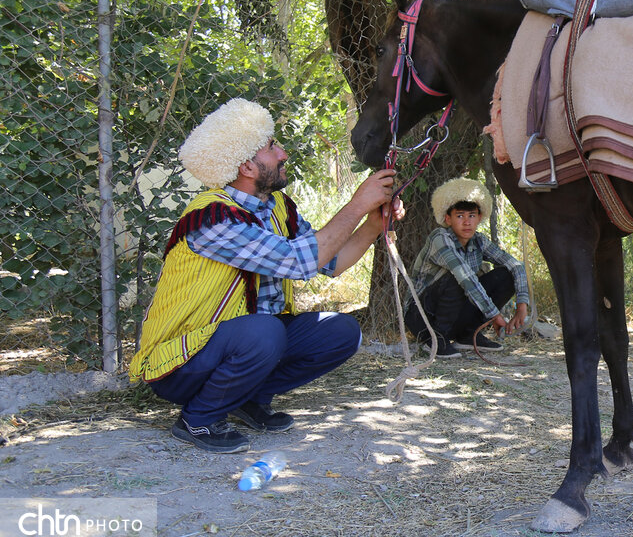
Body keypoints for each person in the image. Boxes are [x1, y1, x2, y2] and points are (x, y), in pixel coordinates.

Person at [131, 98, 400, 453]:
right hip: (182, 364)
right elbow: (299, 261)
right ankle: (199, 420)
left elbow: (330, 263)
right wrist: (357, 204)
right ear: (246, 166)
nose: (284, 154)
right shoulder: (214, 218)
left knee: (340, 330)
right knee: (264, 329)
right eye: (272, 147)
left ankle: (246, 398)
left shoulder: (278, 208)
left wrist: (372, 225)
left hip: (243, 341)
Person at [405, 177, 529, 358]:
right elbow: (465, 278)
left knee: (506, 275)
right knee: (460, 277)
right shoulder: (439, 238)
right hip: (421, 317)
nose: (467, 222)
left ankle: (469, 335)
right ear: (448, 218)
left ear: (479, 218)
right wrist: (495, 315)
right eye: (460, 216)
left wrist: (522, 305)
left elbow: (516, 265)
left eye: (471, 216)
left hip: (454, 316)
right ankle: (435, 341)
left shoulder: (479, 241)